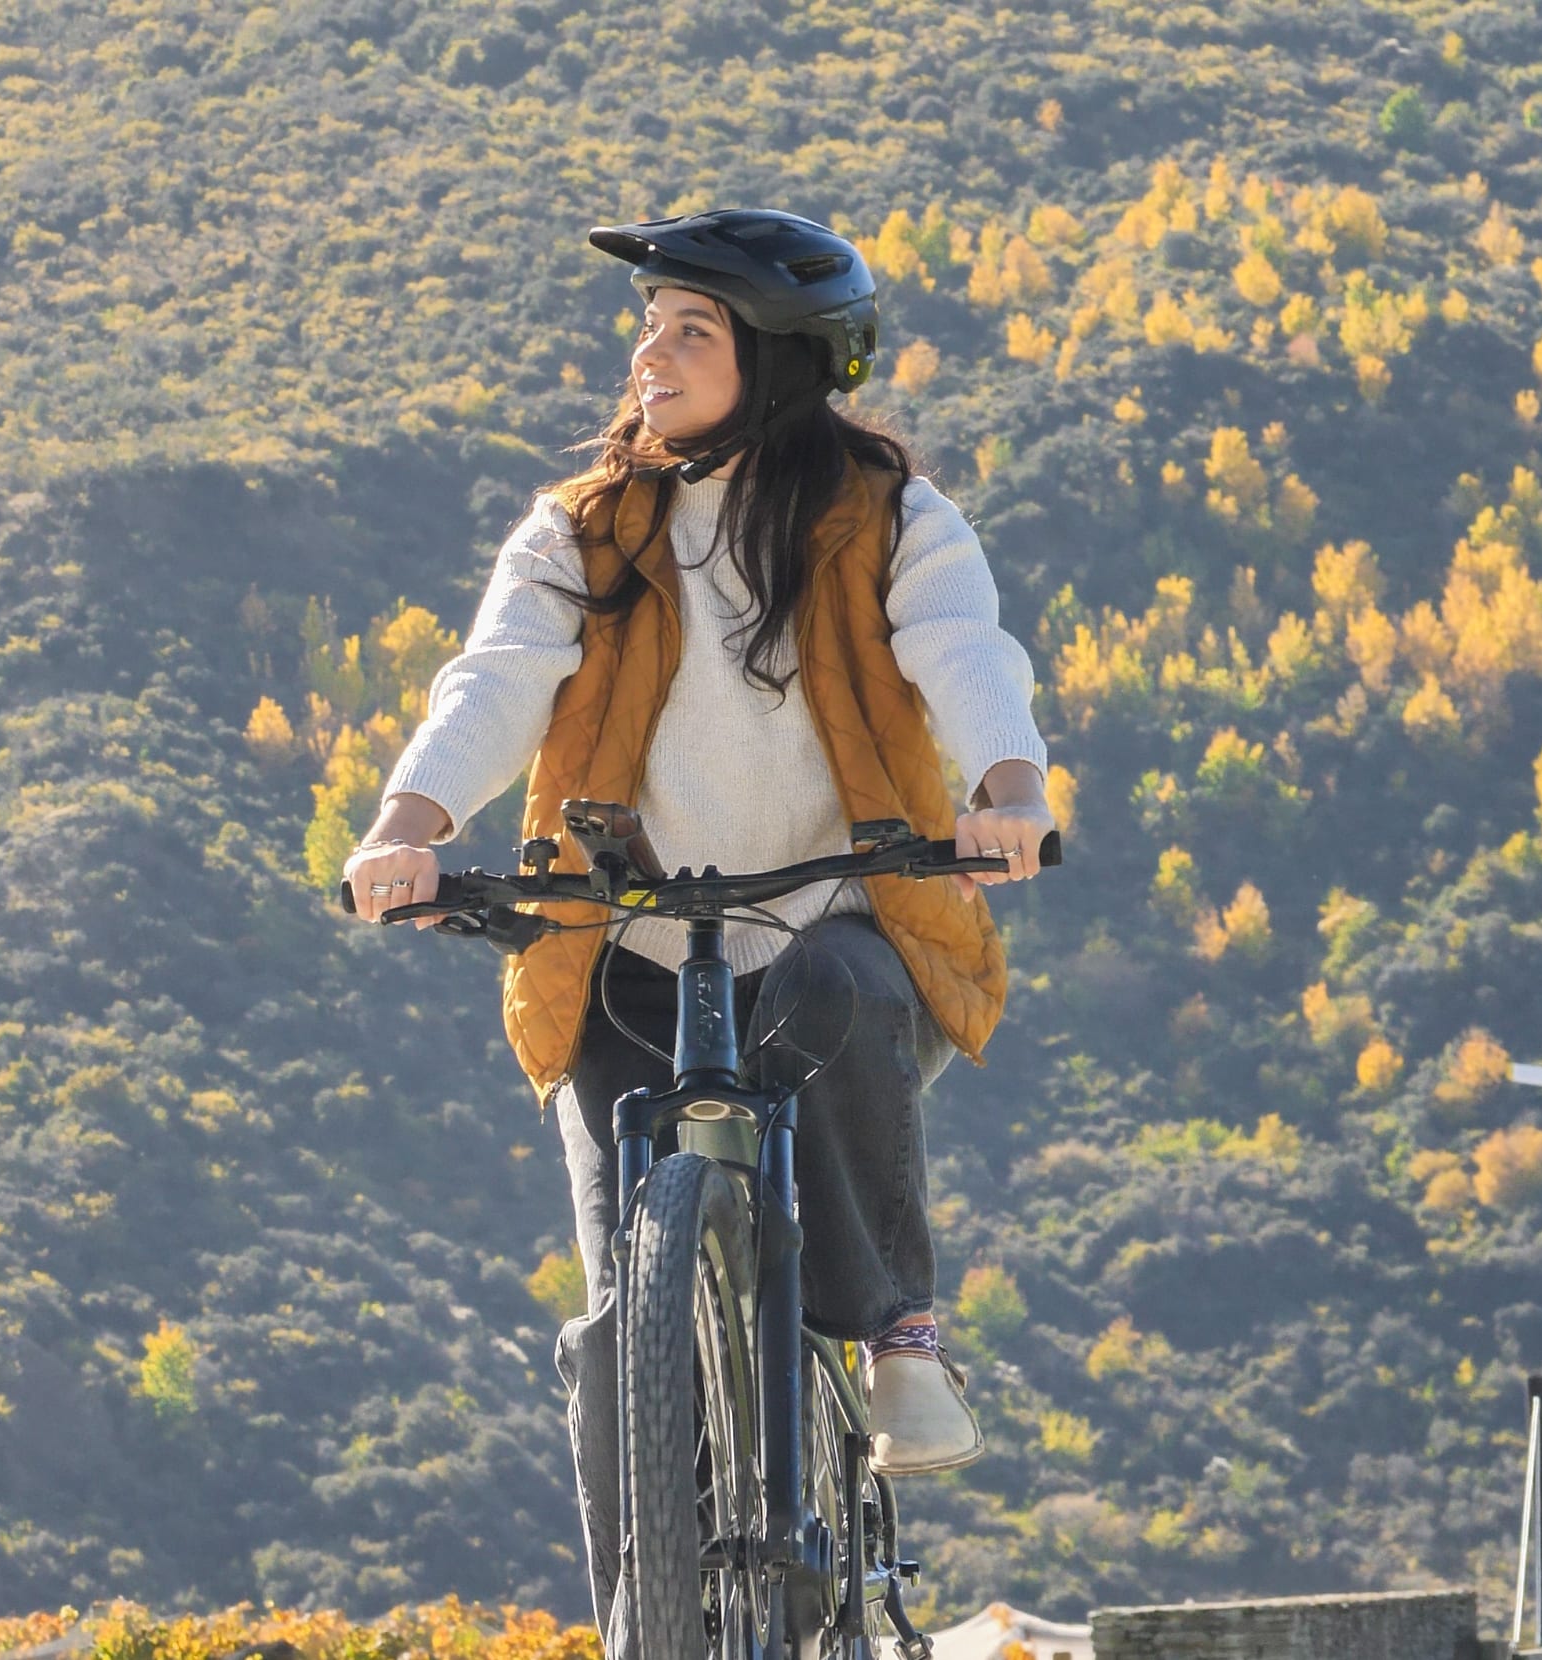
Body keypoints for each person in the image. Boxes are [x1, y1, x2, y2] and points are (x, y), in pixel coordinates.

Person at [339, 208, 1054, 1645]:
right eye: (648, 325)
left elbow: (961, 649)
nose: (646, 354)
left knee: (845, 990)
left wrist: (1007, 791)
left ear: (779, 363)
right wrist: (411, 824)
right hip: (623, 945)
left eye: (688, 330)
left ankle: (897, 1333)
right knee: (618, 1334)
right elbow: (497, 675)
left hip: (825, 926)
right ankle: (642, 1626)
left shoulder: (890, 518)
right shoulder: (584, 526)